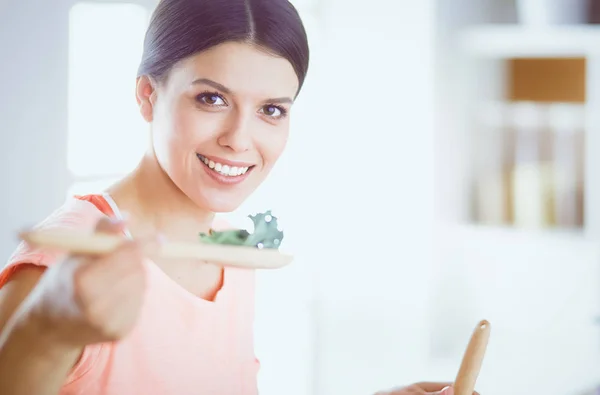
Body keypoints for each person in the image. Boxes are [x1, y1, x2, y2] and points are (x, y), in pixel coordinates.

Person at [0, 0, 477, 394]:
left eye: (271, 110)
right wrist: (44, 335)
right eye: (212, 99)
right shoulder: (66, 262)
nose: (239, 139)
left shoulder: (231, 247)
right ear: (147, 95)